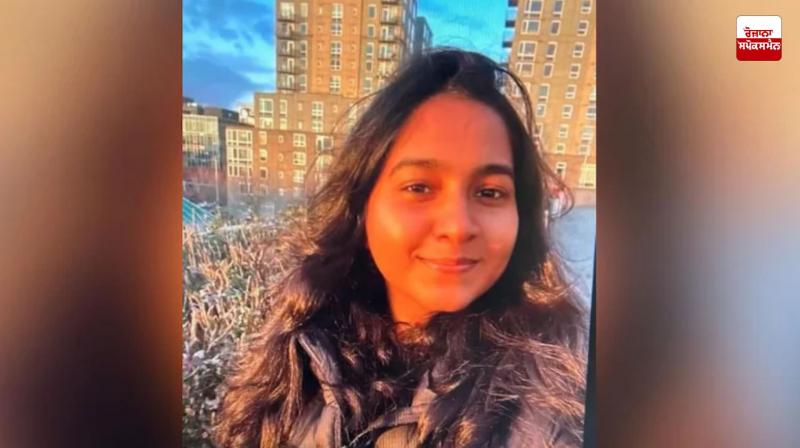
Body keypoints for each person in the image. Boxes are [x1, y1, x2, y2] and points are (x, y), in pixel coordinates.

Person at [214, 48, 588, 448]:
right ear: (362, 204)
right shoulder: (298, 347)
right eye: (419, 187)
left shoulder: (556, 403)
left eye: (490, 192)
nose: (458, 226)